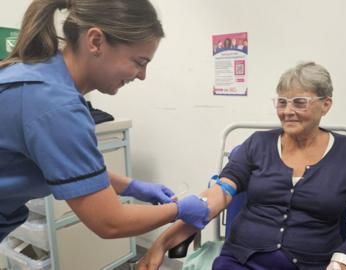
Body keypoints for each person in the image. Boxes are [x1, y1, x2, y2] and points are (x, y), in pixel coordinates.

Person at [137, 62, 346, 270]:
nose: (287, 111)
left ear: (326, 105)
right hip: (240, 260)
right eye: (282, 102)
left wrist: (343, 260)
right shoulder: (258, 144)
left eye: (299, 102)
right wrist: (161, 242)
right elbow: (217, 197)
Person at [0, 0, 210, 243]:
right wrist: (179, 210)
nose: (142, 76)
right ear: (96, 42)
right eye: (139, 62)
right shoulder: (55, 105)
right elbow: (110, 222)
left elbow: (77, 167)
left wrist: (132, 186)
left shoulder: (38, 76)